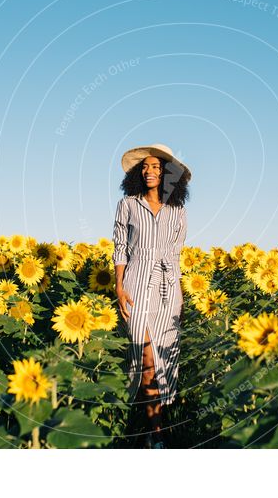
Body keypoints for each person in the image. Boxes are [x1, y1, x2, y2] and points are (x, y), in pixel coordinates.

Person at [112, 143, 191, 449]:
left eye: (156, 166)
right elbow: (120, 246)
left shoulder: (178, 211)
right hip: (136, 281)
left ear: (167, 173)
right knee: (145, 358)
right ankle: (155, 431)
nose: (149, 171)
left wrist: (180, 294)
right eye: (144, 167)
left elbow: (176, 254)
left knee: (164, 359)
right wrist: (119, 286)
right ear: (137, 172)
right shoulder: (128, 205)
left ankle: (154, 427)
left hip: (167, 287)